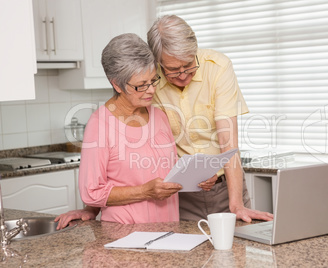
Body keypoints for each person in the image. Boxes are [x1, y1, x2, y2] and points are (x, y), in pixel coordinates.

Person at [56, 15, 273, 229]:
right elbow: (102, 177)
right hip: (156, 215)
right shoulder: (113, 113)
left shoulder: (210, 73)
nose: (182, 75)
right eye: (172, 70)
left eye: (188, 65)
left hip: (204, 199)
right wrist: (91, 208)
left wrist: (214, 189)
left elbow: (223, 143)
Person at [57, 33, 184, 227]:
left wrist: (196, 176)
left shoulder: (159, 116)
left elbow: (167, 170)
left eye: (153, 80)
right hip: (124, 236)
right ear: (116, 84)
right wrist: (145, 191)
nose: (151, 90)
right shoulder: (100, 125)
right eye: (141, 85)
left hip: (169, 230)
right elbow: (92, 191)